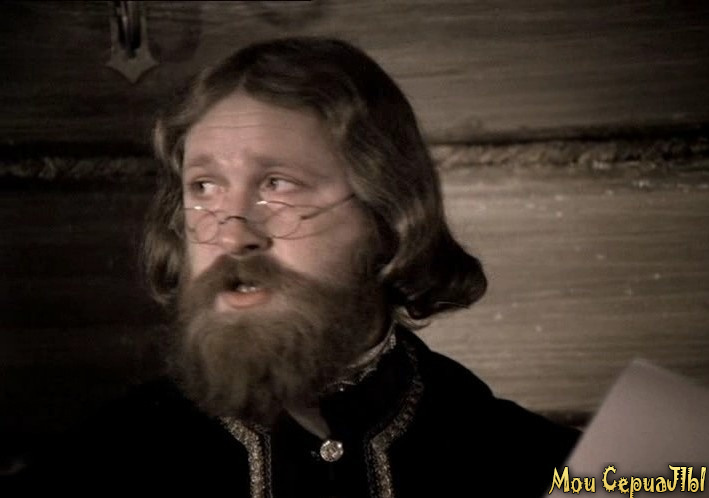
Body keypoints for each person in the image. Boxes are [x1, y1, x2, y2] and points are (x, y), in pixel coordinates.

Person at [26, 37, 578, 497]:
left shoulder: (544, 467)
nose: (233, 235)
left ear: (386, 215)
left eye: (278, 185)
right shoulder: (99, 467)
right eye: (204, 188)